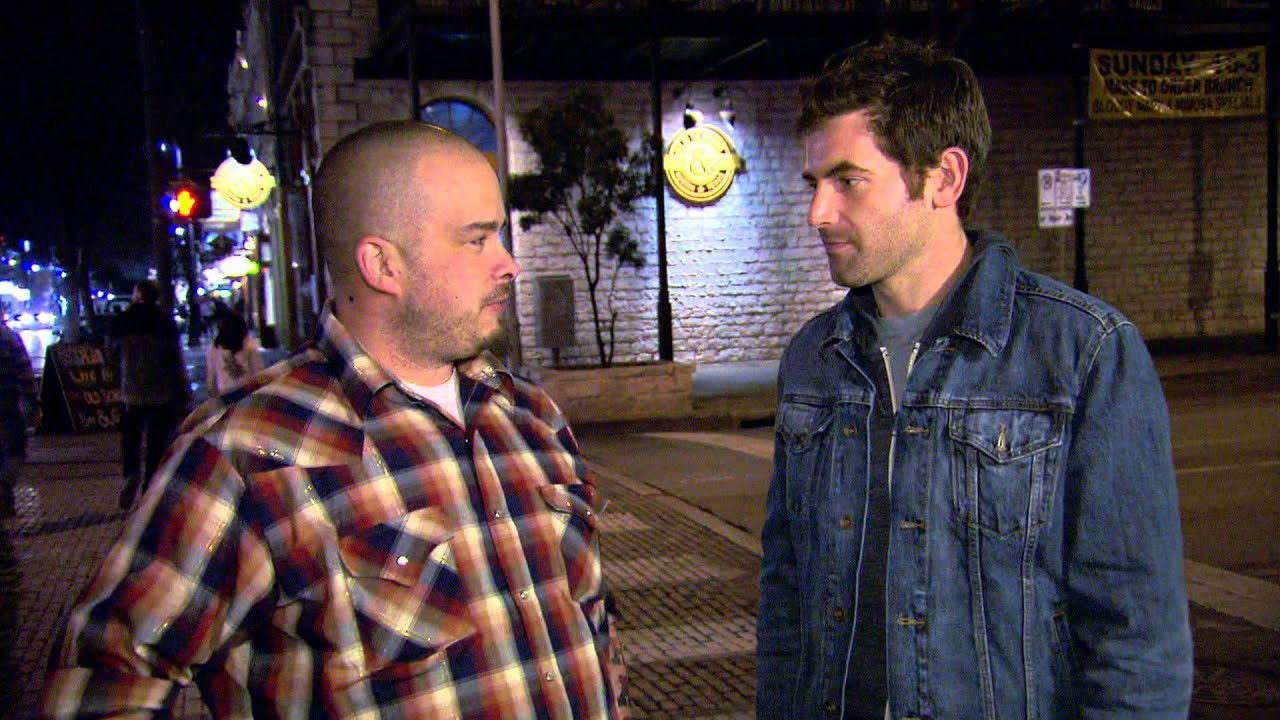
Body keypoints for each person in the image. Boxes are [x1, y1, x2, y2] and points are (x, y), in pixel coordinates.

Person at [40, 121, 630, 719]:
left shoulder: (532, 417)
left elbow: (593, 625)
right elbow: (104, 682)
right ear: (382, 264)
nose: (509, 264)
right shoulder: (247, 448)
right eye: (478, 240)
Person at [756, 36, 1192, 719]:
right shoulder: (815, 360)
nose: (818, 213)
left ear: (944, 178)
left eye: (848, 180)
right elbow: (787, 602)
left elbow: (1136, 637)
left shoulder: (1081, 352)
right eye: (814, 185)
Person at [107, 279, 189, 509]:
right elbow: (175, 360)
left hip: (130, 390)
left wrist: (118, 377)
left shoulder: (122, 322)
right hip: (161, 391)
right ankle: (150, 484)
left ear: (138, 296)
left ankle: (131, 472)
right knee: (156, 441)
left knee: (130, 437)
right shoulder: (165, 323)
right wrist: (182, 391)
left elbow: (111, 355)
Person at [0, 316, 37, 518]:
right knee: (15, 450)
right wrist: (32, 402)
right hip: (7, 404)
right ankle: (4, 487)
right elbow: (25, 371)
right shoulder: (9, 338)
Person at [204, 312, 263, 396]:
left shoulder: (213, 348)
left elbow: (211, 379)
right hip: (246, 391)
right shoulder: (248, 343)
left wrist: (214, 396)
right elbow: (257, 371)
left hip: (224, 393)